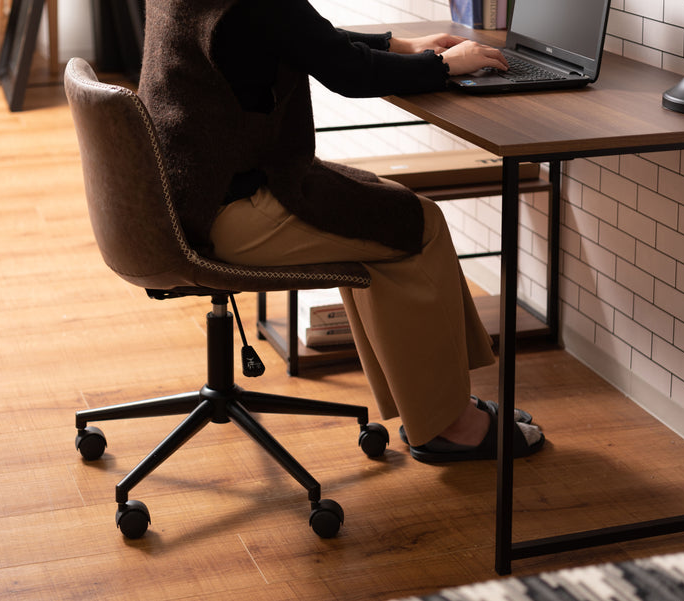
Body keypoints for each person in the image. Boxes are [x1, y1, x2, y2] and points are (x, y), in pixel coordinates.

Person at [137, 0, 545, 462]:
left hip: (188, 194)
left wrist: (404, 46)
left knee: (391, 208)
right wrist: (440, 66)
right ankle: (451, 427)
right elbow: (348, 72)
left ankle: (438, 408)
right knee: (418, 225)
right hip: (228, 212)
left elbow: (303, 34)